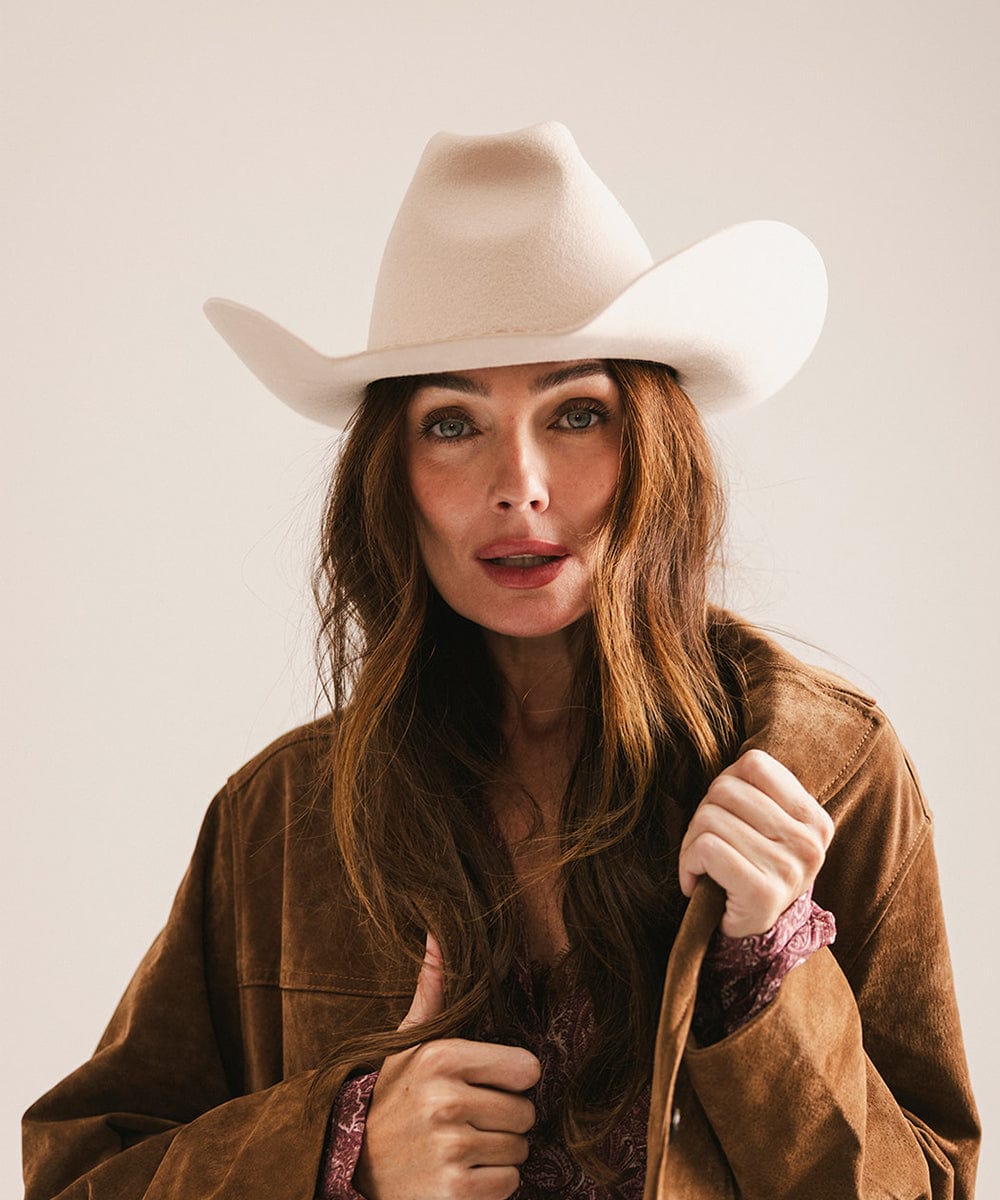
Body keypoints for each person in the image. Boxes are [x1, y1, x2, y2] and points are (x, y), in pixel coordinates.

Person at [22, 123, 980, 1200]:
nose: (517, 481)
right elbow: (76, 1178)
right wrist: (343, 1151)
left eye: (577, 413)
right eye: (450, 424)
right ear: (392, 477)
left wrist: (770, 967)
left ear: (654, 451)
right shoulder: (280, 818)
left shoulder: (823, 771)